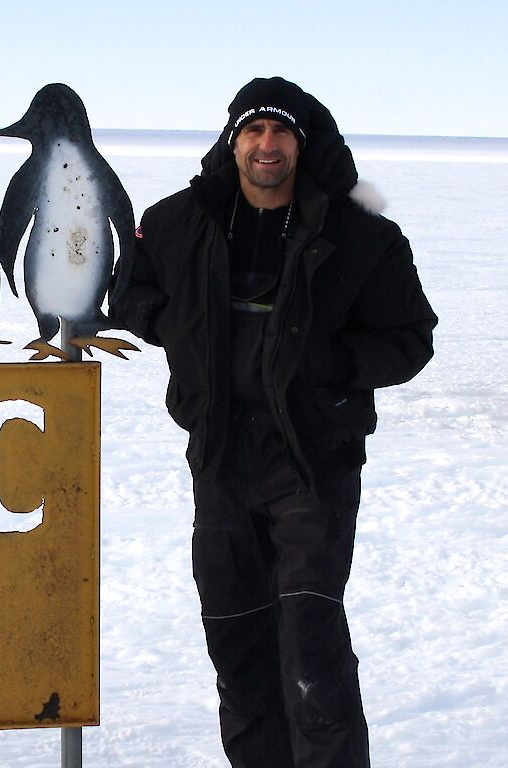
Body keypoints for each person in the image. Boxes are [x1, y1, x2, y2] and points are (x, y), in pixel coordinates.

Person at [109, 77, 436, 767]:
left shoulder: (362, 239)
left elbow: (411, 339)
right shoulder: (180, 221)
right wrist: (178, 326)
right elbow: (129, 291)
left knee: (310, 647)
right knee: (238, 644)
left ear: (301, 144)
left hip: (311, 459)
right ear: (233, 143)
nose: (266, 144)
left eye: (280, 132)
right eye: (253, 131)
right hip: (221, 455)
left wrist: (330, 366)